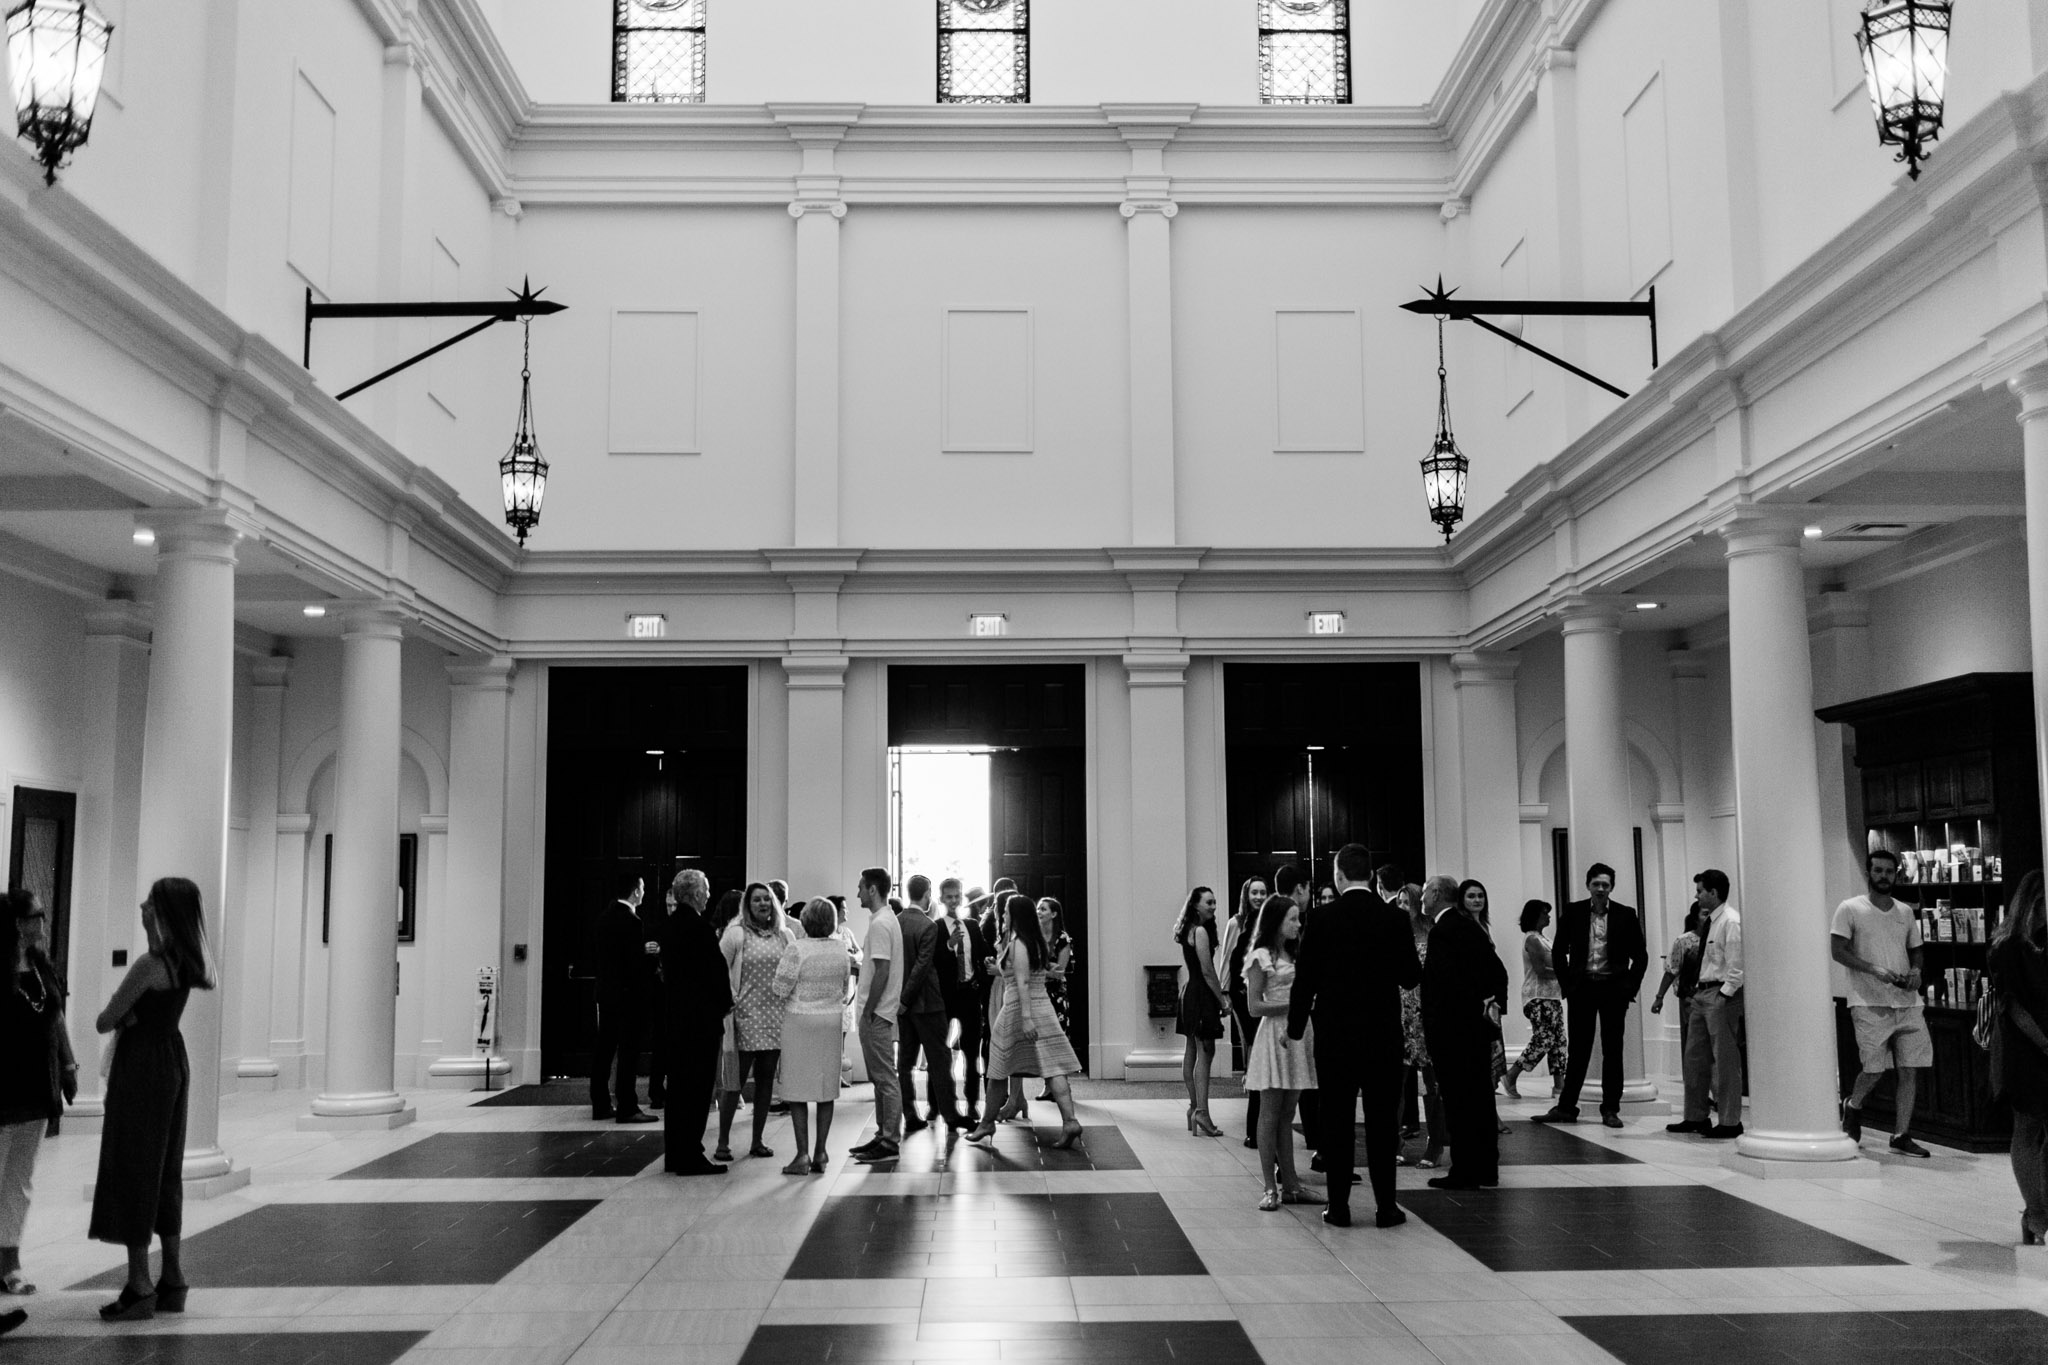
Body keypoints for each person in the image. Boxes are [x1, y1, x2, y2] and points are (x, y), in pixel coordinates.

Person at [89, 876, 215, 1321]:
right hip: (173, 1059)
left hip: (142, 1066)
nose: (141, 907)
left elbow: (106, 1021)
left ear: (161, 913)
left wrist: (126, 1015)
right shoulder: (187, 961)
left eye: (149, 903)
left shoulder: (149, 964)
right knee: (165, 1169)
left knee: (134, 1168)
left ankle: (139, 1283)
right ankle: (173, 1278)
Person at [1288, 843, 1421, 1230]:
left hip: (1335, 1035)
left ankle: (1340, 1208)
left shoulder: (1323, 919)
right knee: (1381, 1123)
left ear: (1339, 876)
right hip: (1382, 1034)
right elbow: (1411, 976)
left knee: (1338, 1120)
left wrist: (1296, 1029)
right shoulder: (1393, 919)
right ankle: (1386, 1208)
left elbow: (1305, 980)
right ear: (1371, 875)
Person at [1534, 862, 1649, 1129]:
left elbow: (1640, 956)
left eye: (1605, 885)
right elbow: (1559, 951)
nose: (1600, 889)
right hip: (1582, 988)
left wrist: (1629, 988)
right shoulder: (1574, 912)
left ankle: (1610, 1109)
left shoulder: (1625, 915)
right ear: (1588, 885)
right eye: (1596, 884)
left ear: (1612, 888)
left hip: (1612, 989)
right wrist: (1567, 985)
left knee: (1613, 1050)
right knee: (1579, 1050)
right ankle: (1566, 1107)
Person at [1833, 849, 1932, 1157]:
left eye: (1889, 871)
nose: (1884, 876)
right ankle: (1854, 1103)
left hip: (1907, 1002)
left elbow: (1916, 949)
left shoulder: (1904, 912)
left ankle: (1901, 1134)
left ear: (1896, 874)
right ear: (1869, 873)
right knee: (1874, 1070)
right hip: (1868, 1001)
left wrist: (1916, 971)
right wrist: (1873, 969)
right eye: (1878, 871)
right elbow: (1838, 951)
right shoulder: (1850, 908)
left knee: (1910, 1069)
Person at [0, 891, 74, 1300]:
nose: (43, 923)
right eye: (36, 916)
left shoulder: (42, 967)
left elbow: (56, 1018)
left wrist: (68, 1064)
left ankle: (10, 1261)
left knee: (20, 1179)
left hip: (36, 1083)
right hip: (5, 1084)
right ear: (16, 924)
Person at [967, 893, 1084, 1148]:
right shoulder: (1037, 940)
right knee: (1053, 1067)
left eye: (1007, 912)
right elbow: (1036, 971)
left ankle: (986, 1123)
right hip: (1043, 1007)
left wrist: (1026, 1018)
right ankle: (1070, 1121)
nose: (1003, 916)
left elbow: (1023, 981)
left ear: (1015, 915)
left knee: (997, 1068)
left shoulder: (1019, 941)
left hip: (1019, 1009)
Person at [1423, 878, 1508, 1190]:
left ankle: (1465, 1171)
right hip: (1472, 1029)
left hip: (1453, 1032)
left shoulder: (1444, 930)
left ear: (1436, 895)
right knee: (1480, 1100)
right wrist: (1489, 1009)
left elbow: (1444, 985)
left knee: (1460, 1103)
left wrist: (1446, 1020)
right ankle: (1486, 1168)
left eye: (1425, 891)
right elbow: (1497, 973)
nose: (1422, 897)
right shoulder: (1469, 927)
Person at [1243, 886, 1320, 1210]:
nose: (1298, 925)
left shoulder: (1295, 952)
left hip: (1298, 1033)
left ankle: (1292, 1184)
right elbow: (1254, 1007)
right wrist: (1294, 1003)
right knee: (1270, 1113)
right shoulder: (1261, 956)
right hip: (1275, 1034)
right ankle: (1270, 1186)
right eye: (1293, 919)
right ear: (1276, 921)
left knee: (1288, 1114)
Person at [715, 882, 796, 1162]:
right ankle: (723, 1142)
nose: (762, 904)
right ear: (747, 906)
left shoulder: (783, 935)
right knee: (734, 1083)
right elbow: (719, 968)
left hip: (775, 1017)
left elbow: (793, 969)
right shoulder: (736, 934)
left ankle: (757, 1140)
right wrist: (730, 1000)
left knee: (765, 1082)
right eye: (756, 900)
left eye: (766, 900)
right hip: (745, 1017)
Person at [771, 897, 853, 1175]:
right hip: (830, 1021)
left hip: (800, 1021)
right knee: (825, 1090)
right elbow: (844, 988)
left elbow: (780, 988)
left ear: (805, 920)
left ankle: (802, 1154)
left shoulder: (797, 948)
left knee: (797, 1091)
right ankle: (821, 1151)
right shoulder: (841, 949)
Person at [660, 869, 733, 1175]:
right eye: (705, 890)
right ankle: (690, 1153)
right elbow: (714, 973)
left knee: (677, 1090)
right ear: (694, 894)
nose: (708, 895)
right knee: (698, 1090)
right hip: (699, 1022)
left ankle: (675, 1152)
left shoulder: (671, 926)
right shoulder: (699, 929)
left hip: (676, 1018)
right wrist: (725, 1005)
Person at [1989, 871, 2048, 1244]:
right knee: (2027, 1129)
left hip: (2039, 1043)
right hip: (2027, 1048)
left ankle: (2039, 1211)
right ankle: (2037, 1213)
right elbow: (2011, 1005)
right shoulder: (2009, 946)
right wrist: (2044, 1042)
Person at [1668, 869, 1744, 1139]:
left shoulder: (1730, 922)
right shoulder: (1712, 922)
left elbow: (1737, 966)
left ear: (1714, 892)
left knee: (1723, 1060)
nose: (1697, 895)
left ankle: (1730, 1121)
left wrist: (1725, 995)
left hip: (1719, 995)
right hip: (1701, 994)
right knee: (1694, 1059)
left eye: (1700, 890)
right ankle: (1696, 1116)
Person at [1387, 868, 1447, 1167]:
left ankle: (1435, 1143)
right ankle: (1394, 1142)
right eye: (1396, 902)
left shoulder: (1433, 931)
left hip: (1427, 1013)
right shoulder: (1392, 934)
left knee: (1431, 1085)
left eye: (1405, 901)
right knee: (1395, 1084)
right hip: (1399, 1013)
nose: (1400, 907)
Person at [591, 873, 660, 1124]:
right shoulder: (632, 921)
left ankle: (600, 1104)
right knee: (628, 1052)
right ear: (635, 892)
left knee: (604, 1049)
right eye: (642, 888)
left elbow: (611, 957)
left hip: (606, 993)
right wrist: (651, 956)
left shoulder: (603, 918)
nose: (644, 892)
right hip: (628, 997)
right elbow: (633, 965)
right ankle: (627, 1106)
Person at [896, 875, 961, 1133]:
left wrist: (900, 1001)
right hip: (927, 1004)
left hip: (903, 1006)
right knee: (940, 1059)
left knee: (905, 1063)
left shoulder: (895, 922)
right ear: (928, 894)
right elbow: (922, 967)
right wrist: (907, 998)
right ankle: (950, 1115)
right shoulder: (928, 925)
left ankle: (910, 1113)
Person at [851, 868, 905, 1162]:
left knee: (885, 1078)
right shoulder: (883, 920)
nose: (858, 892)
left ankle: (889, 1140)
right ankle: (882, 1134)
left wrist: (870, 1009)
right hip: (879, 1012)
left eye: (861, 887)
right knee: (880, 1076)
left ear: (873, 889)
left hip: (878, 1013)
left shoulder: (882, 923)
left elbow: (882, 971)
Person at [1219, 876, 1269, 1148]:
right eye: (1254, 893)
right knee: (1252, 1047)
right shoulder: (1236, 922)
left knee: (1259, 1052)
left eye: (1262, 892)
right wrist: (1224, 993)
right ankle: (1254, 1121)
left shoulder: (1270, 921)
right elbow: (1227, 957)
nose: (1259, 897)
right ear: (1246, 895)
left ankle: (1257, 1119)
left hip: (1262, 992)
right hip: (1241, 994)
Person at [1173, 886, 1227, 1137]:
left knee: (1192, 1050)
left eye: (1215, 902)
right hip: (1201, 994)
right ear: (1196, 905)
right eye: (1209, 902)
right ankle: (1202, 1113)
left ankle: (1194, 1108)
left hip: (1189, 993)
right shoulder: (1202, 931)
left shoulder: (1188, 930)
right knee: (1206, 1053)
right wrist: (1222, 1001)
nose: (1214, 906)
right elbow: (1208, 971)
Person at [936, 878, 989, 1123]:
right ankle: (938, 1105)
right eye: (949, 897)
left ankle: (972, 1104)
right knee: (941, 1053)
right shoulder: (935, 927)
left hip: (969, 994)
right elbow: (933, 962)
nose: (954, 901)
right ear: (941, 899)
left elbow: (983, 954)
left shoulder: (972, 926)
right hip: (946, 997)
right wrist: (949, 945)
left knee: (971, 1052)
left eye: (957, 896)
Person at [1501, 899, 1563, 1099]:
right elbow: (1541, 970)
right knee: (1544, 1039)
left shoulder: (1544, 938)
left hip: (1551, 995)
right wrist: (1566, 972)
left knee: (1559, 1041)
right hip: (1537, 996)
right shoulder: (1532, 940)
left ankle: (1559, 1085)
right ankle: (1511, 1075)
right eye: (1545, 913)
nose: (1549, 916)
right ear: (1535, 916)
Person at [1649, 902, 1706, 1061]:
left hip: (1713, 995)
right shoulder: (1684, 941)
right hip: (1690, 997)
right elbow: (1671, 971)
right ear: (1696, 918)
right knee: (1693, 1041)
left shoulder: (1717, 937)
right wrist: (1659, 997)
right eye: (1704, 914)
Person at [1035, 898, 1075, 1101]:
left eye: (1043, 909)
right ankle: (1048, 1085)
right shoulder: (1034, 937)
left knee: (1057, 1038)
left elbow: (1059, 972)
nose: (1039, 911)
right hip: (1037, 993)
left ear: (1054, 914)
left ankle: (1062, 1085)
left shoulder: (1062, 939)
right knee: (1041, 1041)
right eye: (1038, 908)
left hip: (1056, 995)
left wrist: (1038, 970)